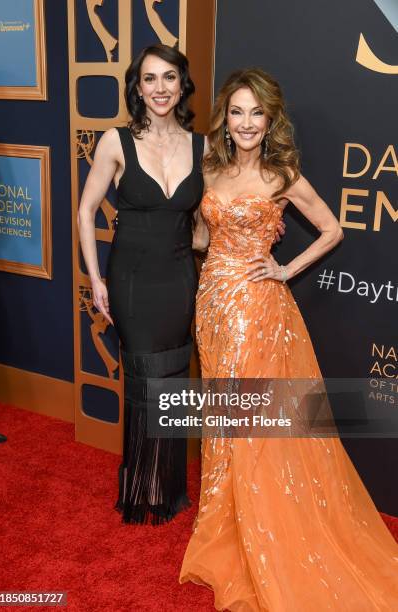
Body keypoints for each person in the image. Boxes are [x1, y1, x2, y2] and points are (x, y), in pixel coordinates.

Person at [180, 69, 398, 610]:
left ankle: (266, 523)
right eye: (237, 112)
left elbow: (333, 229)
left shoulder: (283, 175)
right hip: (211, 304)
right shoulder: (208, 167)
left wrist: (285, 268)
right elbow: (203, 238)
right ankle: (225, 517)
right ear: (225, 119)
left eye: (257, 113)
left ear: (270, 119)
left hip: (257, 308)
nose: (247, 122)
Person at [78, 44, 205, 524]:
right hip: (130, 279)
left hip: (179, 278)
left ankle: (168, 486)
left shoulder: (202, 146)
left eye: (169, 78)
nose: (159, 89)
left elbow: (203, 227)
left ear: (182, 84)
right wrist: (96, 277)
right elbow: (85, 210)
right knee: (147, 380)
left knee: (173, 380)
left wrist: (252, 225)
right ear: (137, 87)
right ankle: (141, 484)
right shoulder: (116, 141)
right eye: (149, 79)